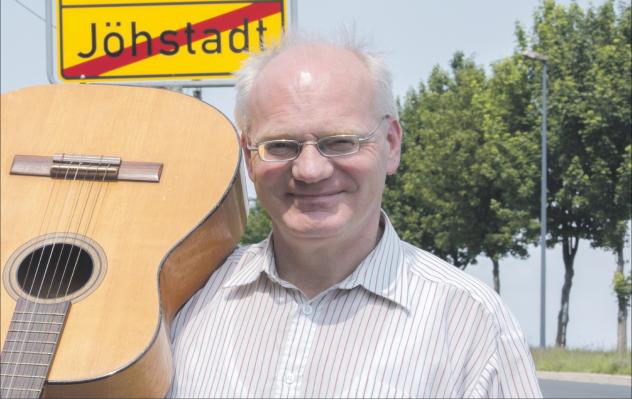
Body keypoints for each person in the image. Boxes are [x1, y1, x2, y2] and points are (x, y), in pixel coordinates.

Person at [167, 32, 542, 398]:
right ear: (248, 156)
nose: (310, 170)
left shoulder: (469, 322)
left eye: (341, 142)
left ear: (391, 144)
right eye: (281, 145)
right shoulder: (184, 296)